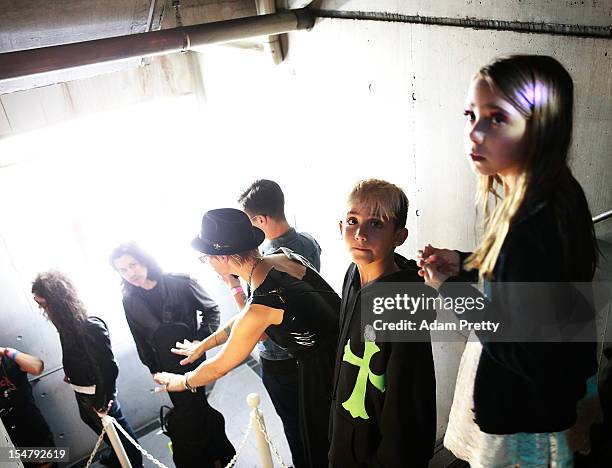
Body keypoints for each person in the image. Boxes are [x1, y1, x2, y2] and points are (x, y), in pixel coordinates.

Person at [418, 55, 599, 467]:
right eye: (471, 115)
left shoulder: (530, 224)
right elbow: (528, 285)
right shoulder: (557, 192)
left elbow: (521, 347)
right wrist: (467, 262)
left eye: (497, 118)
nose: (475, 133)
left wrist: (449, 288)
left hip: (525, 421)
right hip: (547, 403)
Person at [153, 208, 340, 468]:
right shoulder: (280, 258)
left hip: (325, 373)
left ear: (224, 258)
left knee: (327, 448)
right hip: (345, 351)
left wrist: (181, 381)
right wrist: (204, 344)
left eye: (206, 257)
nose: (207, 263)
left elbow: (220, 365)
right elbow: (244, 320)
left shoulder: (263, 303)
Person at [328, 179, 437, 467]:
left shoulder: (403, 307)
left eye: (376, 223)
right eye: (353, 221)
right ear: (340, 227)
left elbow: (408, 403)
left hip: (379, 451)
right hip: (347, 432)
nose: (360, 234)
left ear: (398, 236)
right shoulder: (354, 272)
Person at [109, 242, 234, 468]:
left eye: (133, 265)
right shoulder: (129, 300)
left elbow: (211, 309)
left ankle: (212, 456)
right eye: (123, 270)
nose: (131, 273)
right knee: (190, 410)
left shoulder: (180, 282)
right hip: (166, 367)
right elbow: (140, 340)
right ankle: (215, 454)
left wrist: (200, 342)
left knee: (195, 407)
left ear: (144, 260)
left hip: (193, 359)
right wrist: (153, 369)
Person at [236, 179, 322, 468]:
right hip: (314, 351)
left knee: (296, 431)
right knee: (320, 423)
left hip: (281, 359)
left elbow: (257, 332)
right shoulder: (308, 242)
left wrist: (234, 286)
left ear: (260, 219)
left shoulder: (265, 265)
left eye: (249, 222)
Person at [31, 270, 143, 468]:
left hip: (96, 393)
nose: (43, 309)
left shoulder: (89, 324)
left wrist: (103, 399)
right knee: (97, 426)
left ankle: (133, 463)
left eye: (44, 304)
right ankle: (118, 457)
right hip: (82, 389)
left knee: (118, 432)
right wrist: (72, 373)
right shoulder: (65, 322)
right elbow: (76, 354)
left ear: (57, 301)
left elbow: (108, 367)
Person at [0, 346, 55, 468]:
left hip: (34, 434)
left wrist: (5, 351)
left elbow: (37, 367)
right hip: (7, 444)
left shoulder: (9, 360)